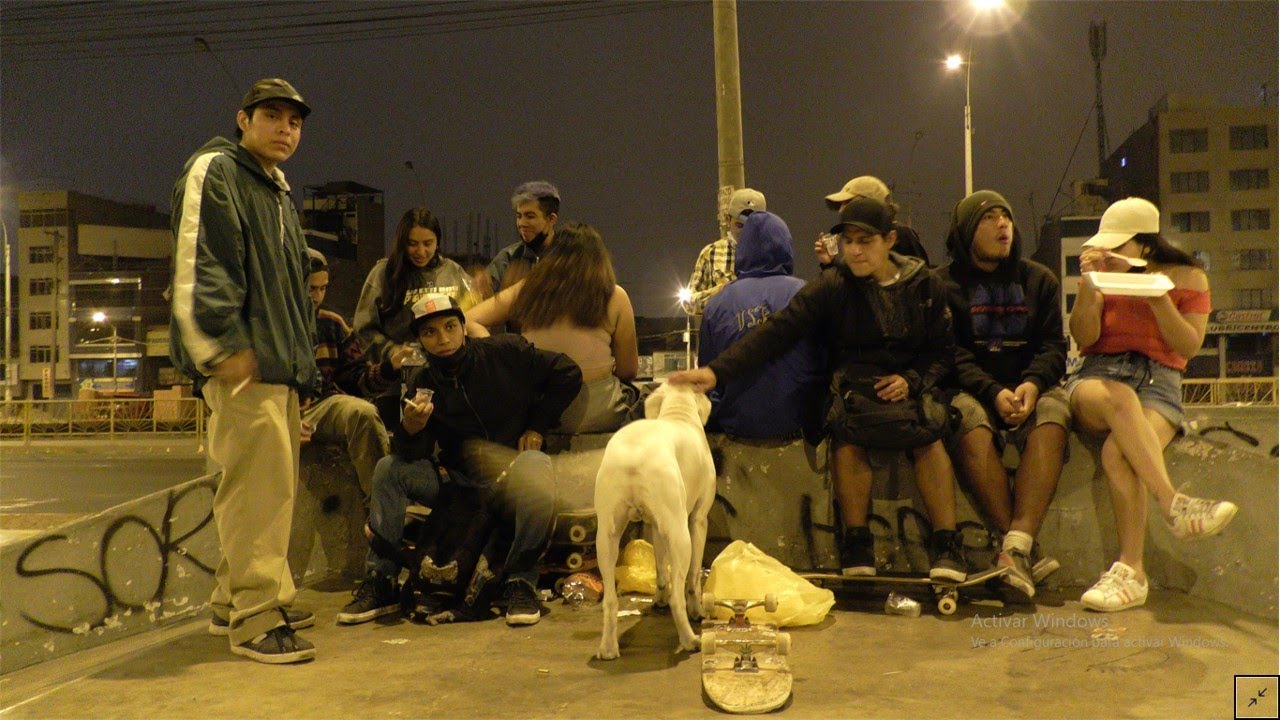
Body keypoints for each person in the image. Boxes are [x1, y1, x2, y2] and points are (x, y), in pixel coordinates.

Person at [669, 197, 968, 581]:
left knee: (930, 433)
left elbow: (944, 352)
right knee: (845, 432)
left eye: (866, 241)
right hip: (856, 388)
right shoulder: (835, 286)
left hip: (909, 384)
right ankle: (857, 542)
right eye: (849, 241)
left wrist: (911, 380)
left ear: (890, 240)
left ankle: (947, 544)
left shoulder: (925, 286)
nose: (855, 251)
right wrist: (715, 373)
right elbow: (777, 331)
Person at [169, 78, 319, 663]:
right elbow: (201, 263)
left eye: (296, 121)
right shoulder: (218, 170)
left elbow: (290, 294)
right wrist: (220, 347)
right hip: (244, 363)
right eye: (273, 116)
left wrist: (300, 373)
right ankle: (256, 619)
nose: (286, 128)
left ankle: (237, 600)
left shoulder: (275, 189)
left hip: (275, 365)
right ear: (243, 118)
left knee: (265, 490)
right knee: (257, 494)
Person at [338, 294, 582, 627]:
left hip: (510, 478)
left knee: (536, 464)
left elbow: (567, 372)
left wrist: (537, 426)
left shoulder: (505, 352)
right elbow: (414, 454)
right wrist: (411, 429)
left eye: (450, 326)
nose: (443, 339)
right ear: (421, 341)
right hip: (458, 486)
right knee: (389, 469)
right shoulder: (424, 381)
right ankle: (381, 581)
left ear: (464, 328)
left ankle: (520, 582)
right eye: (430, 333)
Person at [1067, 197, 1238, 612]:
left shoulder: (1188, 278)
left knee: (1118, 452)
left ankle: (1131, 573)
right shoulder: (1100, 276)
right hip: (1098, 376)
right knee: (1119, 396)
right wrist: (1091, 286)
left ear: (1144, 245)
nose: (1108, 254)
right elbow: (1084, 337)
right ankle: (1175, 505)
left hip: (1159, 383)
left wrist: (1158, 298)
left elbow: (1188, 346)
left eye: (1117, 247)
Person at [937, 191, 1069, 600]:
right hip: (974, 390)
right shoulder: (943, 285)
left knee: (1054, 411)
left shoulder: (1039, 279)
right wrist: (993, 393)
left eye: (1006, 217)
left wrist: (1031, 384)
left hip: (1029, 390)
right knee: (964, 417)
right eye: (988, 218)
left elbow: (1053, 347)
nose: (1002, 225)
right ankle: (1023, 549)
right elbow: (950, 355)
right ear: (965, 231)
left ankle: (1013, 548)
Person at [466, 222, 638, 433]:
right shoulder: (615, 295)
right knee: (636, 396)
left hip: (536, 410)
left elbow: (468, 319)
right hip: (598, 412)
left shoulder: (529, 289)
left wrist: (500, 355)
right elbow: (628, 370)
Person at [698, 210, 824, 439]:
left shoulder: (716, 304)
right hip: (797, 423)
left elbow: (707, 375)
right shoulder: (805, 292)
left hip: (736, 425)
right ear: (786, 247)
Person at [352, 207, 474, 431]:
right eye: (412, 243)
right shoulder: (383, 274)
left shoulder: (453, 272)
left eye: (428, 243)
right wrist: (392, 352)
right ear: (401, 242)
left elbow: (472, 318)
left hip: (448, 379)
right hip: (396, 382)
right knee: (401, 442)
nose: (421, 251)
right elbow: (363, 328)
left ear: (438, 241)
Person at [300, 249, 391, 505]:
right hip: (274, 406)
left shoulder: (331, 323)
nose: (317, 296)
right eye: (310, 289)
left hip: (321, 404)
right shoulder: (270, 321)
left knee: (363, 414)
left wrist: (390, 368)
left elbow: (357, 378)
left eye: (323, 288)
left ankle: (383, 510)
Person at [815, 175, 930, 268]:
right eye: (849, 241)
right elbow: (849, 290)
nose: (841, 210)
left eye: (848, 202)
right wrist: (829, 264)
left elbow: (921, 282)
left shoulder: (901, 234)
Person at [683, 188, 766, 314]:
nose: (746, 232)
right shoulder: (711, 253)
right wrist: (724, 292)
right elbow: (689, 303)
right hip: (724, 331)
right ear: (728, 219)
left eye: (752, 226)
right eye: (740, 225)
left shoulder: (771, 252)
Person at [486, 180, 561, 292]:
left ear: (551, 219)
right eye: (519, 216)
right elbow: (481, 299)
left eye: (530, 216)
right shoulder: (508, 258)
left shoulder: (568, 258)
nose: (521, 223)